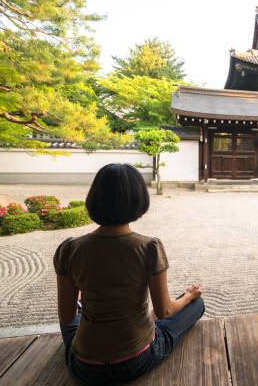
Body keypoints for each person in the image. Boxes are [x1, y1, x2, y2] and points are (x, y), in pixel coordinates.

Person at [54, 163, 204, 385]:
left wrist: (79, 298)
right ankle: (153, 318)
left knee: (73, 319)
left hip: (84, 366)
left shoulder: (69, 249)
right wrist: (190, 296)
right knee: (195, 306)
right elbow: (164, 311)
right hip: (134, 360)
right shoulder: (148, 247)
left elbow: (66, 317)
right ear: (138, 200)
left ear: (94, 198)